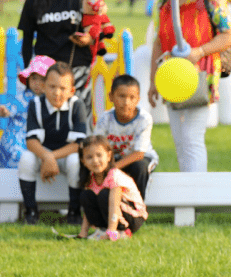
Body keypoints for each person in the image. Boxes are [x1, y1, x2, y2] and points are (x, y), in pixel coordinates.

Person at [147, 0, 231, 173]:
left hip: (201, 75)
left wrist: (199, 52)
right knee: (179, 139)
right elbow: (159, 41)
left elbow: (230, 35)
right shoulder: (163, 3)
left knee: (192, 137)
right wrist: (152, 81)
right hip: (171, 77)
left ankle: (196, 193)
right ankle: (186, 197)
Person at [18, 0, 105, 110]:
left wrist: (88, 40)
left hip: (77, 67)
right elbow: (27, 38)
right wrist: (30, 73)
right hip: (46, 72)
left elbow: (95, 28)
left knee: (78, 119)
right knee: (48, 122)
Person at [18, 62, 87, 225]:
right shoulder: (35, 104)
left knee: (76, 161)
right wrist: (46, 157)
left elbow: (78, 144)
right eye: (52, 86)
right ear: (43, 86)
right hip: (42, 153)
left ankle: (74, 212)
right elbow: (31, 141)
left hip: (65, 155)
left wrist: (51, 157)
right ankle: (31, 211)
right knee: (26, 159)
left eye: (63, 88)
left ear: (71, 91)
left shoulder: (77, 105)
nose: (57, 92)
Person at [93, 74, 158, 199]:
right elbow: (97, 146)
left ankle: (137, 209)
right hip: (114, 158)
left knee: (140, 167)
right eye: (121, 96)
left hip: (141, 158)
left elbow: (139, 153)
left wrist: (112, 167)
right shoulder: (104, 118)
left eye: (132, 97)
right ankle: (94, 206)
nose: (126, 102)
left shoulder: (144, 119)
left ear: (138, 99)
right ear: (111, 96)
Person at [76, 135, 147, 241]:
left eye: (99, 155)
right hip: (114, 213)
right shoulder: (90, 178)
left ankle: (120, 231)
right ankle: (103, 229)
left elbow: (114, 205)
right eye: (89, 157)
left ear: (109, 156)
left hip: (133, 217)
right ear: (83, 161)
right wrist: (83, 232)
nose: (95, 160)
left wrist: (111, 231)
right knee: (86, 196)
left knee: (105, 194)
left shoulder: (114, 176)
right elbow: (87, 209)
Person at [0, 56, 54, 169]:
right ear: (28, 79)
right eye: (34, 78)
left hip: (37, 142)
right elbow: (11, 109)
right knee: (20, 160)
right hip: (16, 141)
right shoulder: (24, 98)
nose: (37, 83)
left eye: (42, 79)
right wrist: (5, 111)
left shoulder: (51, 101)